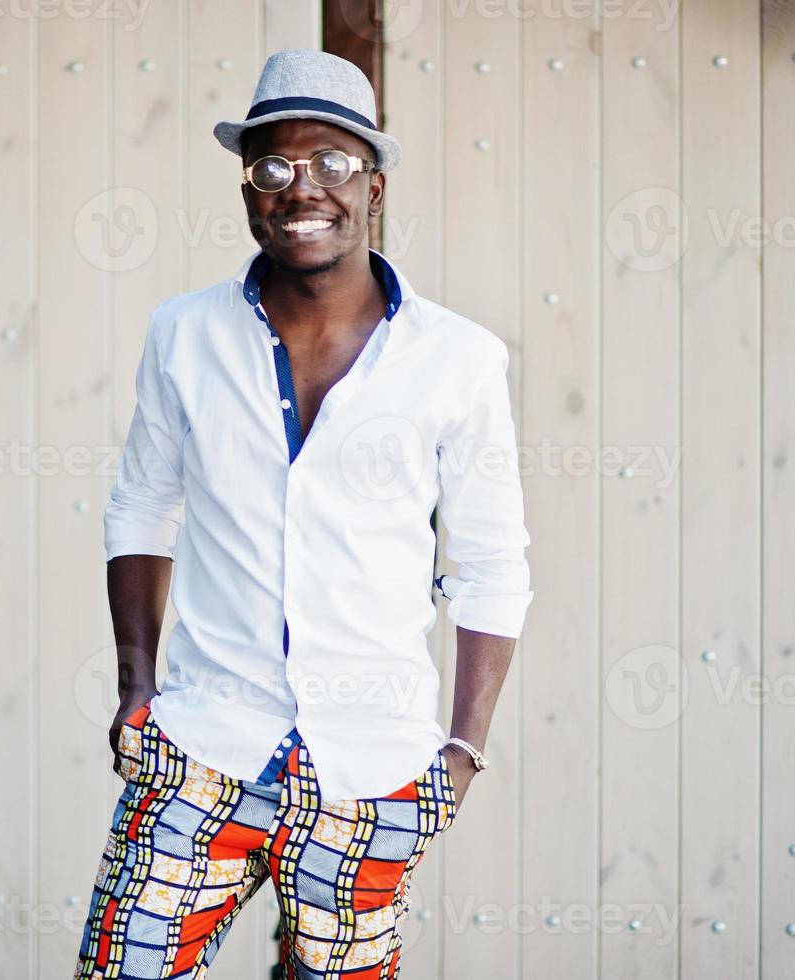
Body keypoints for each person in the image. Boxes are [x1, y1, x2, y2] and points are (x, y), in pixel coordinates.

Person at [74, 48, 533, 979]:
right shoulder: (183, 334)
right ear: (248, 191)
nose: (300, 188)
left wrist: (461, 755)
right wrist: (135, 691)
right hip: (201, 751)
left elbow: (490, 566)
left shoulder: (458, 360)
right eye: (273, 167)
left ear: (372, 184)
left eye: (330, 164)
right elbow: (140, 511)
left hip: (374, 774)